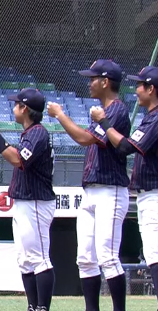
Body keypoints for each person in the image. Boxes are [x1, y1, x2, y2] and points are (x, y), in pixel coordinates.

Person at [47, 59, 130, 311]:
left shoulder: (116, 110)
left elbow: (84, 139)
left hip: (110, 190)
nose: (89, 83)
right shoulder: (101, 112)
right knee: (85, 259)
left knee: (108, 257)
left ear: (105, 82)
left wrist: (60, 114)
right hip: (91, 191)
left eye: (93, 78)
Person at [89, 66, 158, 310]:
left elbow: (126, 147)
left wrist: (104, 122)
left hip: (154, 195)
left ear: (151, 88)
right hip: (148, 194)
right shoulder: (150, 117)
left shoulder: (156, 118)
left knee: (155, 255)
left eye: (140, 85)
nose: (136, 89)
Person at [0, 88, 56, 311]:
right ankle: (33, 306)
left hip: (36, 201)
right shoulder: (30, 133)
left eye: (16, 104)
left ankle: (42, 307)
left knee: (39, 258)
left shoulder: (38, 133)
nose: (13, 108)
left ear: (25, 108)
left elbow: (18, 160)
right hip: (25, 200)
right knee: (25, 259)